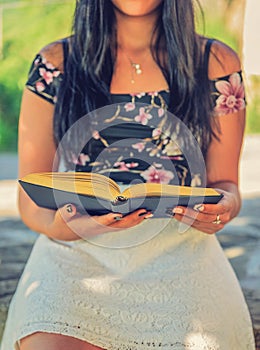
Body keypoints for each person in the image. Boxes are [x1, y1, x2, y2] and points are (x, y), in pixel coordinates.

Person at [0, 0, 255, 349]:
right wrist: (61, 227)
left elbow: (227, 186)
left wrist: (224, 206)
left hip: (181, 253)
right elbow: (31, 201)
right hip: (75, 253)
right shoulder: (55, 64)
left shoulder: (216, 64)